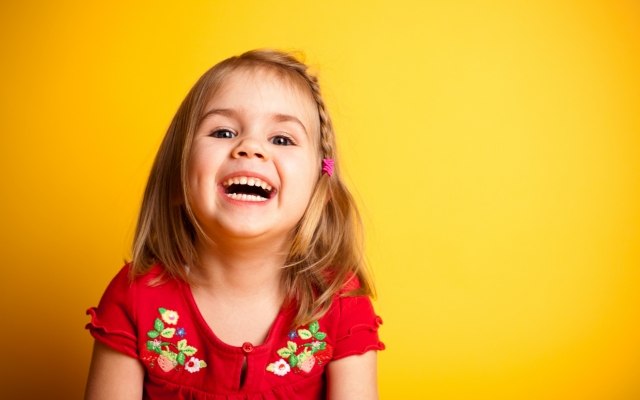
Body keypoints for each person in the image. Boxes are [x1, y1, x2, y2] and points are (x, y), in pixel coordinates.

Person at [84, 49, 384, 400]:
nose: (250, 147)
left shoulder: (338, 300)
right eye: (223, 132)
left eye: (282, 139)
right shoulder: (134, 297)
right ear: (177, 179)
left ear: (321, 186)